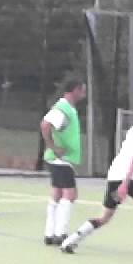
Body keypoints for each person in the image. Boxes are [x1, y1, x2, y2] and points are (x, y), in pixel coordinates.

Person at [60, 101, 133, 261]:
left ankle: (70, 241)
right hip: (130, 177)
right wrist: (125, 184)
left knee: (104, 217)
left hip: (114, 174)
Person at [40, 79, 87, 246]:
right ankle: (60, 233)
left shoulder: (69, 109)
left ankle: (49, 233)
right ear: (75, 90)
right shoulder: (63, 108)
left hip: (60, 159)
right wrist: (53, 146)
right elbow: (45, 125)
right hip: (61, 159)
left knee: (57, 193)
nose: (84, 93)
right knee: (70, 194)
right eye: (82, 90)